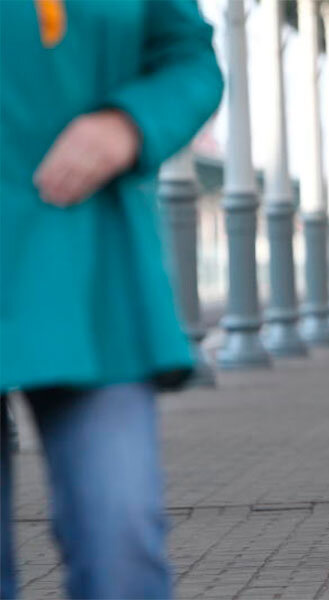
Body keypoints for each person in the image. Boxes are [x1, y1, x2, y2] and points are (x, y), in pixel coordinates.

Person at [0, 1, 223, 598]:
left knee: (120, 541)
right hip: (82, 257)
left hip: (89, 264)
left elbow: (190, 58)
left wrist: (130, 123)